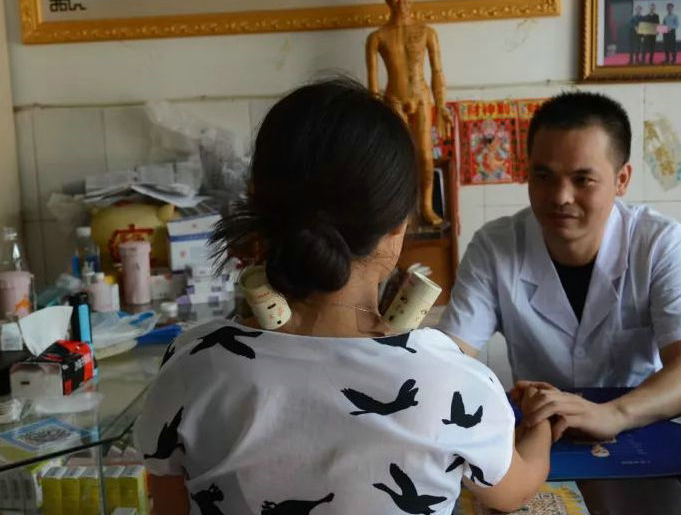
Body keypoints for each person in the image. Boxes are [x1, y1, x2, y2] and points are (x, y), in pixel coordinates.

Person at [134, 79, 551, 515]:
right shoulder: (452, 377)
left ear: (258, 203)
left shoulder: (194, 363)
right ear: (398, 226)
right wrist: (540, 429)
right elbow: (515, 492)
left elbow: (169, 508)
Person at [438, 91, 681, 442]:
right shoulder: (495, 247)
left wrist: (613, 414)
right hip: (543, 430)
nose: (560, 197)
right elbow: (448, 357)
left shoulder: (658, 241)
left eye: (583, 179)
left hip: (641, 419)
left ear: (621, 180)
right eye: (544, 176)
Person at [366, 0, 454, 227]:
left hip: (421, 96)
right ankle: (403, 211)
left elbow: (437, 71)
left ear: (412, 0)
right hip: (394, 98)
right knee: (399, 156)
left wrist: (442, 105)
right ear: (387, 2)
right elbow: (372, 81)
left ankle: (426, 207)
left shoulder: (427, 32)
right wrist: (374, 112)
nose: (401, 2)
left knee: (425, 154)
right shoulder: (377, 37)